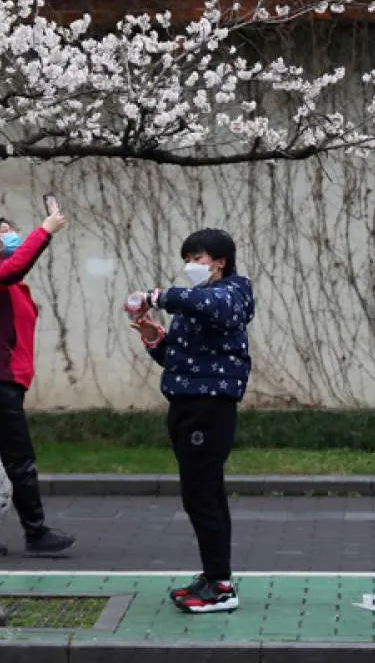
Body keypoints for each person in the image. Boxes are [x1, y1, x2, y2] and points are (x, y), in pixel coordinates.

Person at [127, 228, 254, 614]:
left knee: (202, 494)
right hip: (185, 403)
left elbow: (219, 308)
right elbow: (180, 361)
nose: (191, 266)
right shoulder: (195, 303)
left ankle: (221, 586)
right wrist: (154, 338)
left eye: (198, 258)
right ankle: (214, 574)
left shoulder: (234, 292)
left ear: (221, 261)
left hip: (210, 408)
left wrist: (157, 297)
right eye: (188, 258)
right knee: (202, 493)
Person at [0, 204, 75, 557]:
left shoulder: (8, 283)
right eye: (3, 232)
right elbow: (16, 266)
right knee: (19, 457)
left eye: (13, 229)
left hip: (5, 379)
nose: (12, 235)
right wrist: (46, 230)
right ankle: (36, 532)